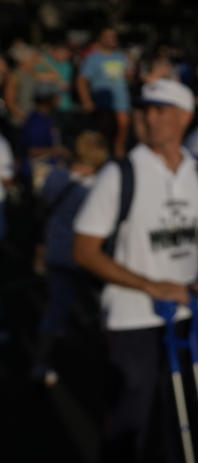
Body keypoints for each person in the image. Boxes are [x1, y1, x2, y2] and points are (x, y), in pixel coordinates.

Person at [72, 78, 198, 463]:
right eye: (145, 109)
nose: (149, 117)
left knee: (181, 410)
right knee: (128, 418)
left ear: (183, 118)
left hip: (184, 312)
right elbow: (84, 250)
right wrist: (148, 284)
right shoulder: (121, 173)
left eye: (161, 110)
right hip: (133, 318)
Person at [31, 130, 109, 386]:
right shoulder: (97, 188)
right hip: (85, 256)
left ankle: (42, 362)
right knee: (95, 306)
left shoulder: (55, 177)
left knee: (57, 307)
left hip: (56, 251)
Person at [77, 27, 132, 157]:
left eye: (113, 36)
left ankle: (119, 159)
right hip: (102, 103)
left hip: (121, 102)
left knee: (122, 132)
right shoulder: (93, 58)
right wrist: (86, 100)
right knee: (103, 136)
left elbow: (129, 75)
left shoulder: (121, 56)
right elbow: (81, 80)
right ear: (100, 38)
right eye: (107, 36)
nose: (111, 39)